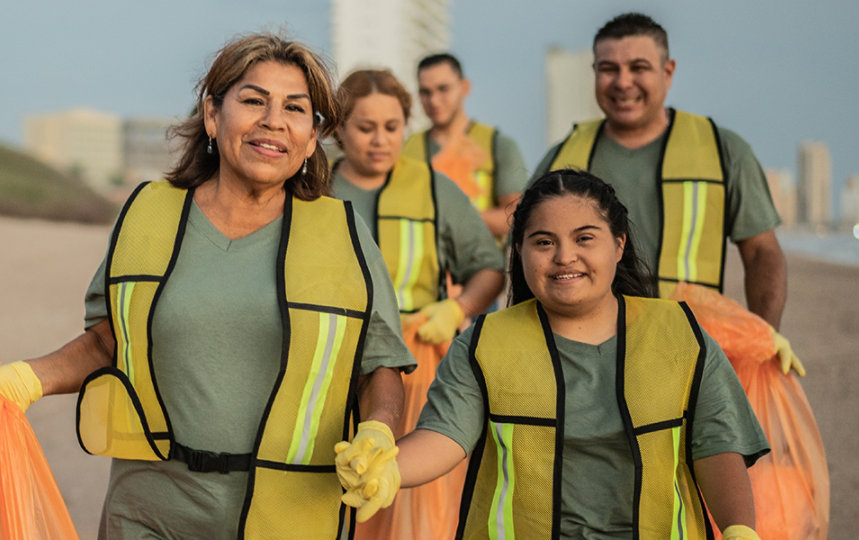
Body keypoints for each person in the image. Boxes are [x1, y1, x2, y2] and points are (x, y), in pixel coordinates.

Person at [0, 33, 415, 539]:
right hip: (149, 510)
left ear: (311, 138)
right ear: (213, 115)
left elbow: (380, 366)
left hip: (291, 517)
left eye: (295, 108)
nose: (273, 120)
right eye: (253, 100)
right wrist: (24, 379)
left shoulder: (345, 236)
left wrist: (379, 430)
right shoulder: (148, 214)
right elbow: (111, 341)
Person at [336, 169, 771, 539]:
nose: (565, 257)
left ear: (618, 245)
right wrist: (386, 468)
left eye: (585, 238)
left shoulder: (681, 334)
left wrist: (739, 529)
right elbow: (444, 437)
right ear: (519, 252)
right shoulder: (485, 343)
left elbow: (716, 447)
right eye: (543, 242)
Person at [531, 13, 789, 335]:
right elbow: (528, 257)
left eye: (638, 68)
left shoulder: (723, 151)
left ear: (668, 73)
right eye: (609, 69)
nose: (623, 82)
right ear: (594, 73)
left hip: (690, 351)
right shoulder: (561, 157)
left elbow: (763, 252)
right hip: (584, 353)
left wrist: (765, 340)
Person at [330, 69, 505, 539]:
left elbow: (489, 267)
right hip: (328, 360)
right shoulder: (312, 190)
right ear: (338, 127)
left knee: (407, 498)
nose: (380, 140)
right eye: (365, 127)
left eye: (392, 127)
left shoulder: (435, 189)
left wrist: (458, 308)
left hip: (414, 367)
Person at [402, 53, 529, 241]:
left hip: (483, 264)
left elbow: (515, 217)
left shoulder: (498, 144)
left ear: (464, 87)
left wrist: (452, 218)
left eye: (443, 89)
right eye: (425, 92)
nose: (434, 101)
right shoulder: (406, 149)